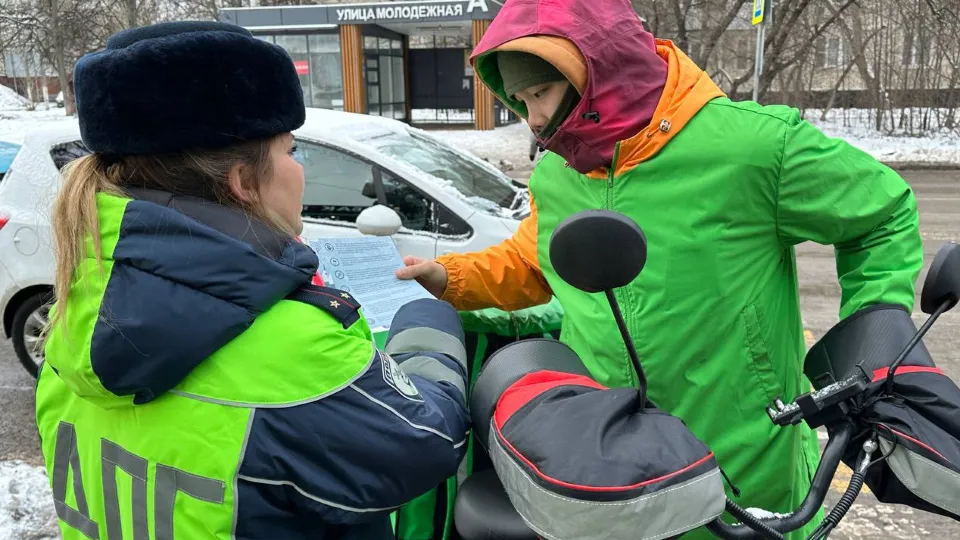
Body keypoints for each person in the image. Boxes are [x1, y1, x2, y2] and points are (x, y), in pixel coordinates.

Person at [396, 0, 923, 537]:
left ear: (597, 72)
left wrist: (872, 338)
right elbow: (533, 263)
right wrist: (451, 278)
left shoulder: (752, 147)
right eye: (521, 101)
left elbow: (881, 213)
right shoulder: (559, 174)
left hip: (743, 451)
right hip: (607, 456)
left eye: (542, 92)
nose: (533, 119)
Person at [36, 21, 469, 540]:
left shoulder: (73, 319)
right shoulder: (294, 347)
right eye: (291, 151)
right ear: (242, 181)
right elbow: (429, 440)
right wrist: (426, 319)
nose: (299, 169)